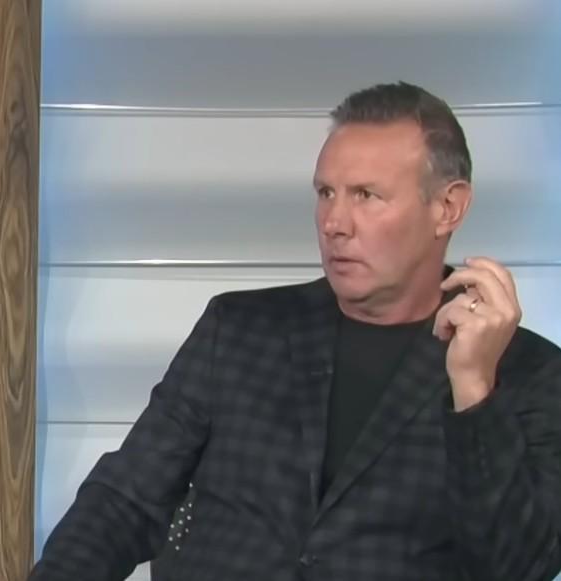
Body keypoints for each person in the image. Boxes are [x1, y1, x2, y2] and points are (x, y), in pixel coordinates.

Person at [30, 82, 561, 580]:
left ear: (448, 207)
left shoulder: (530, 372)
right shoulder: (239, 330)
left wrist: (474, 394)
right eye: (326, 192)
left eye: (366, 195)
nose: (335, 223)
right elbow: (125, 500)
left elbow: (517, 564)